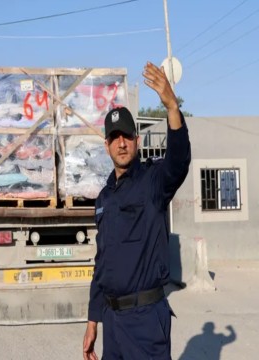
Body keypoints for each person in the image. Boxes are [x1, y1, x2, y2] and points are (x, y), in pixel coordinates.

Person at [82, 62, 191, 360]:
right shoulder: (104, 199)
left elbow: (178, 162)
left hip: (146, 322)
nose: (121, 143)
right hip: (113, 325)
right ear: (106, 145)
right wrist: (93, 321)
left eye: (127, 136)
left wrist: (171, 107)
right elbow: (102, 263)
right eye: (115, 137)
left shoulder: (152, 182)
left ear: (137, 141)